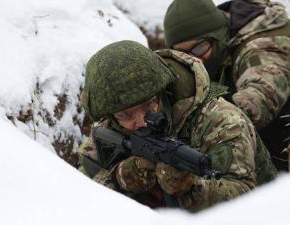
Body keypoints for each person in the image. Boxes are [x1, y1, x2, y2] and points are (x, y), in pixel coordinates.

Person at [78, 40, 277, 212]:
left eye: (149, 105)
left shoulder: (221, 121)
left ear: (163, 91)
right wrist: (121, 178)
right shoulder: (109, 128)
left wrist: (192, 190)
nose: (140, 121)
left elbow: (247, 200)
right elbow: (74, 197)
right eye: (125, 114)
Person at [163, 0, 290, 170]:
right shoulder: (220, 45)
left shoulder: (266, 49)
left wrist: (193, 130)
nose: (194, 60)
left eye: (199, 49)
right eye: (182, 54)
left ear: (217, 36)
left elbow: (255, 103)